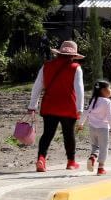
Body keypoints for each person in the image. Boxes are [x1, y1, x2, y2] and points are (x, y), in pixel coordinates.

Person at [27, 40, 85, 172]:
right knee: (68, 134)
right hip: (68, 106)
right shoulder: (76, 68)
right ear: (73, 55)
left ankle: (41, 159)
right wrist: (80, 108)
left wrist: (32, 106)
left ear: (59, 53)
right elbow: (79, 89)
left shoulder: (46, 66)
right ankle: (71, 162)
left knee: (47, 134)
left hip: (49, 105)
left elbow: (37, 87)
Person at [80, 79, 111, 175]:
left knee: (95, 146)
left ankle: (92, 157)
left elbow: (86, 112)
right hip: (103, 128)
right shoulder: (107, 101)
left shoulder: (93, 100)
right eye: (110, 88)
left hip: (92, 128)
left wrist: (81, 124)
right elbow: (109, 116)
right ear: (103, 90)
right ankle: (101, 168)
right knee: (103, 148)